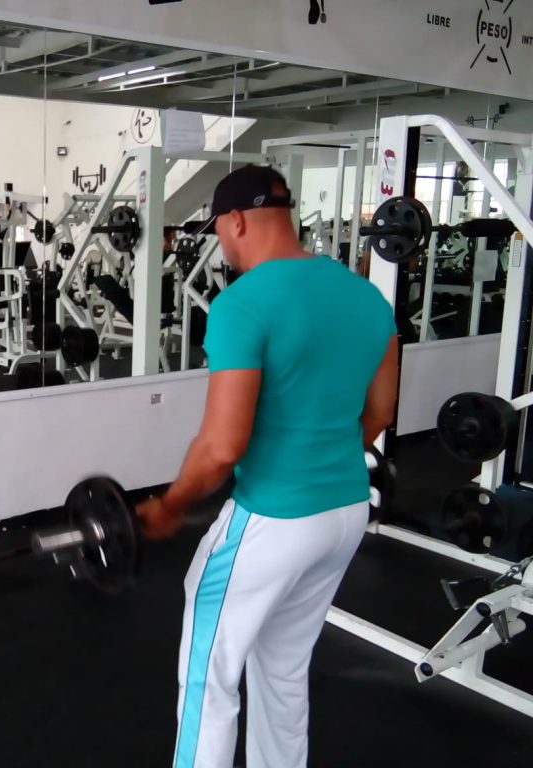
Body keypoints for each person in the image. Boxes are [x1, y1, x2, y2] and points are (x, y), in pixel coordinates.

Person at [136, 165, 398, 768]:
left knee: (208, 674)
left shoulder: (242, 304)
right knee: (282, 669)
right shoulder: (365, 295)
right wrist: (321, 456)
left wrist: (171, 505)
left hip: (274, 517)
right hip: (346, 511)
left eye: (218, 231)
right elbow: (381, 411)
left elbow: (222, 446)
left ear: (235, 221)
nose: (221, 244)